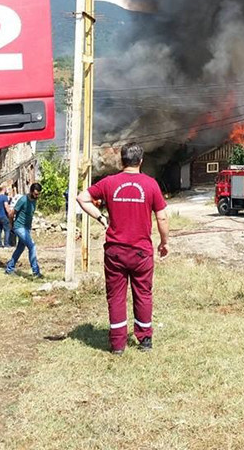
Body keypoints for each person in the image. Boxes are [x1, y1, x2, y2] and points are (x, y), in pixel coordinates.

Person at [77, 142, 169, 355]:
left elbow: (82, 198)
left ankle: (118, 345)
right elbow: (162, 216)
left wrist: (101, 218)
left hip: (115, 252)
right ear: (141, 161)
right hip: (141, 252)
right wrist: (164, 243)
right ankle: (145, 340)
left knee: (116, 296)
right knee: (143, 294)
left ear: (121, 160)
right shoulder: (150, 184)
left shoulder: (109, 183)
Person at [5, 183, 43, 277]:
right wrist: (11, 226)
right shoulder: (23, 200)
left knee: (20, 249)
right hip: (19, 227)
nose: (37, 196)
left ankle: (9, 268)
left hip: (26, 228)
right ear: (31, 192)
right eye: (35, 194)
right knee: (32, 246)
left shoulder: (34, 200)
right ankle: (36, 272)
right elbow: (11, 214)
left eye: (38, 194)